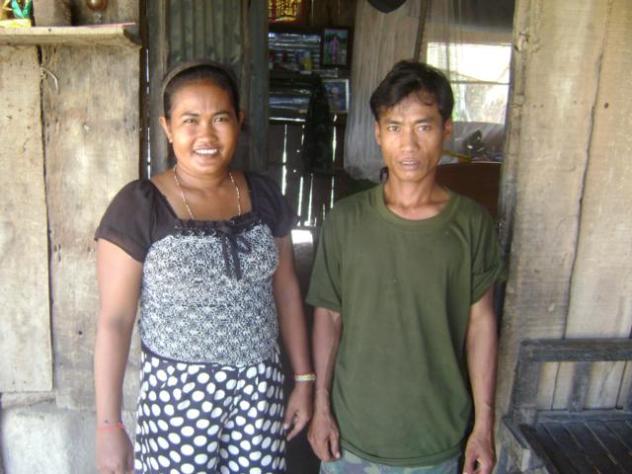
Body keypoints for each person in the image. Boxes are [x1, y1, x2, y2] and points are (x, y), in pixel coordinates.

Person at [94, 59, 314, 474]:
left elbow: (286, 291)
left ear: (239, 121)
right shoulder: (139, 206)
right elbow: (115, 321)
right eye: (190, 120)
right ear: (167, 127)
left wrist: (303, 380)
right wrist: (109, 426)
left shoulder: (263, 195)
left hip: (260, 392)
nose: (206, 135)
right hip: (179, 400)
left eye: (220, 119)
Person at [306, 60, 504, 474]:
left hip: (436, 440)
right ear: (378, 133)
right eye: (394, 127)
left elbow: (481, 325)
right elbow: (328, 316)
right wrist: (320, 406)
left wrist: (483, 426)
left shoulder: (471, 223)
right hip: (350, 438)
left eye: (423, 126)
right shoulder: (345, 220)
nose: (408, 145)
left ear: (446, 130)